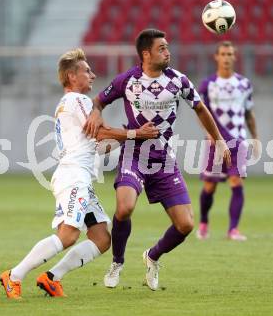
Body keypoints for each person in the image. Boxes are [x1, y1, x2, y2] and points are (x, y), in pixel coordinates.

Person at [0, 48, 159, 299]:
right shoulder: (79, 101)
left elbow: (99, 144)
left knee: (101, 238)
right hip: (74, 176)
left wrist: (130, 136)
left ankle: (52, 278)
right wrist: (137, 133)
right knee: (68, 234)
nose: (93, 75)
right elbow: (102, 132)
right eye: (87, 71)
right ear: (72, 77)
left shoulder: (68, 104)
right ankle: (15, 275)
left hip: (79, 176)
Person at [83, 29, 231, 291]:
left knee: (186, 224)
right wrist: (95, 113)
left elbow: (200, 108)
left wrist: (218, 139)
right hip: (134, 154)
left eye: (167, 47)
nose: (167, 51)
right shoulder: (128, 80)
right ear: (146, 53)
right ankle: (117, 262)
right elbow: (99, 100)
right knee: (125, 207)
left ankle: (152, 256)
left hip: (163, 160)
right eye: (162, 48)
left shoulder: (179, 81)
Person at [196, 41, 259, 241]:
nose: (226, 57)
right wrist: (208, 133)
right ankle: (204, 223)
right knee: (209, 187)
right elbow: (200, 113)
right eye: (223, 53)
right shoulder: (208, 85)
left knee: (236, 181)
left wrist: (255, 137)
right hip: (216, 141)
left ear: (235, 57)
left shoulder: (244, 84)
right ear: (216, 57)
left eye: (229, 54)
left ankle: (233, 229)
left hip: (238, 140)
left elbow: (249, 113)